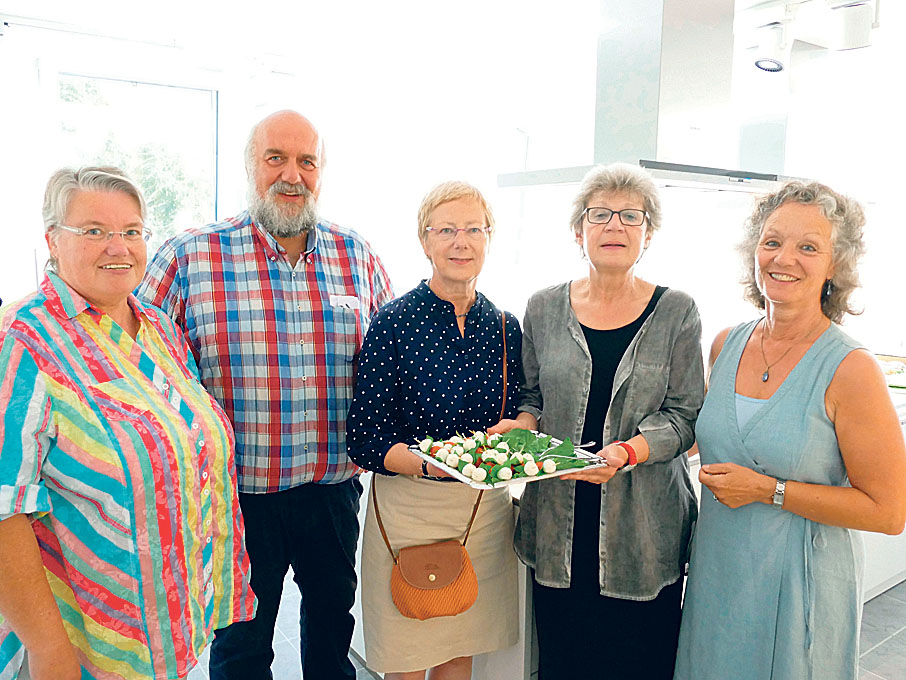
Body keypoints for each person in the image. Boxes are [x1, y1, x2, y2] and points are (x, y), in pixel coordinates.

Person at [138, 110, 393, 680]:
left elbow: (388, 364)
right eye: (275, 158)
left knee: (332, 629)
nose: (292, 175)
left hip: (332, 492)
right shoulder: (188, 256)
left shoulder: (358, 256)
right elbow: (140, 369)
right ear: (250, 166)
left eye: (307, 162)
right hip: (237, 496)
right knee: (242, 645)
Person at [0, 166, 255, 680]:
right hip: (80, 644)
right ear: (52, 240)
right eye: (94, 231)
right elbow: (5, 507)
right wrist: (49, 650)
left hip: (167, 627)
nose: (118, 247)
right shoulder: (24, 342)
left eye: (131, 231)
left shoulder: (158, 328)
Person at [673, 182, 906, 680]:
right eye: (773, 241)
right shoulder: (725, 344)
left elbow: (889, 513)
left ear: (835, 265)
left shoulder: (851, 369)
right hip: (719, 574)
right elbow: (709, 434)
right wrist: (623, 449)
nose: (784, 259)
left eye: (809, 247)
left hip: (802, 587)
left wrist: (768, 490)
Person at [494, 163, 704, 679]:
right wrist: (524, 422)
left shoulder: (677, 311)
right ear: (578, 230)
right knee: (564, 661)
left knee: (642, 662)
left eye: (631, 216)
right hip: (558, 520)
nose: (615, 225)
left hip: (643, 527)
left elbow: (685, 415)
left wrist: (628, 451)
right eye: (600, 214)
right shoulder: (543, 308)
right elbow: (532, 395)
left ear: (648, 234)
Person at [346, 181, 522, 679]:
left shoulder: (506, 326)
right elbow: (364, 438)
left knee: (459, 654)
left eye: (473, 229)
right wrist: (431, 464)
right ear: (424, 241)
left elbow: (524, 405)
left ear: (489, 238)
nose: (460, 242)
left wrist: (524, 425)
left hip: (481, 513)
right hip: (409, 513)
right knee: (406, 662)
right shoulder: (392, 323)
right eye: (446, 230)